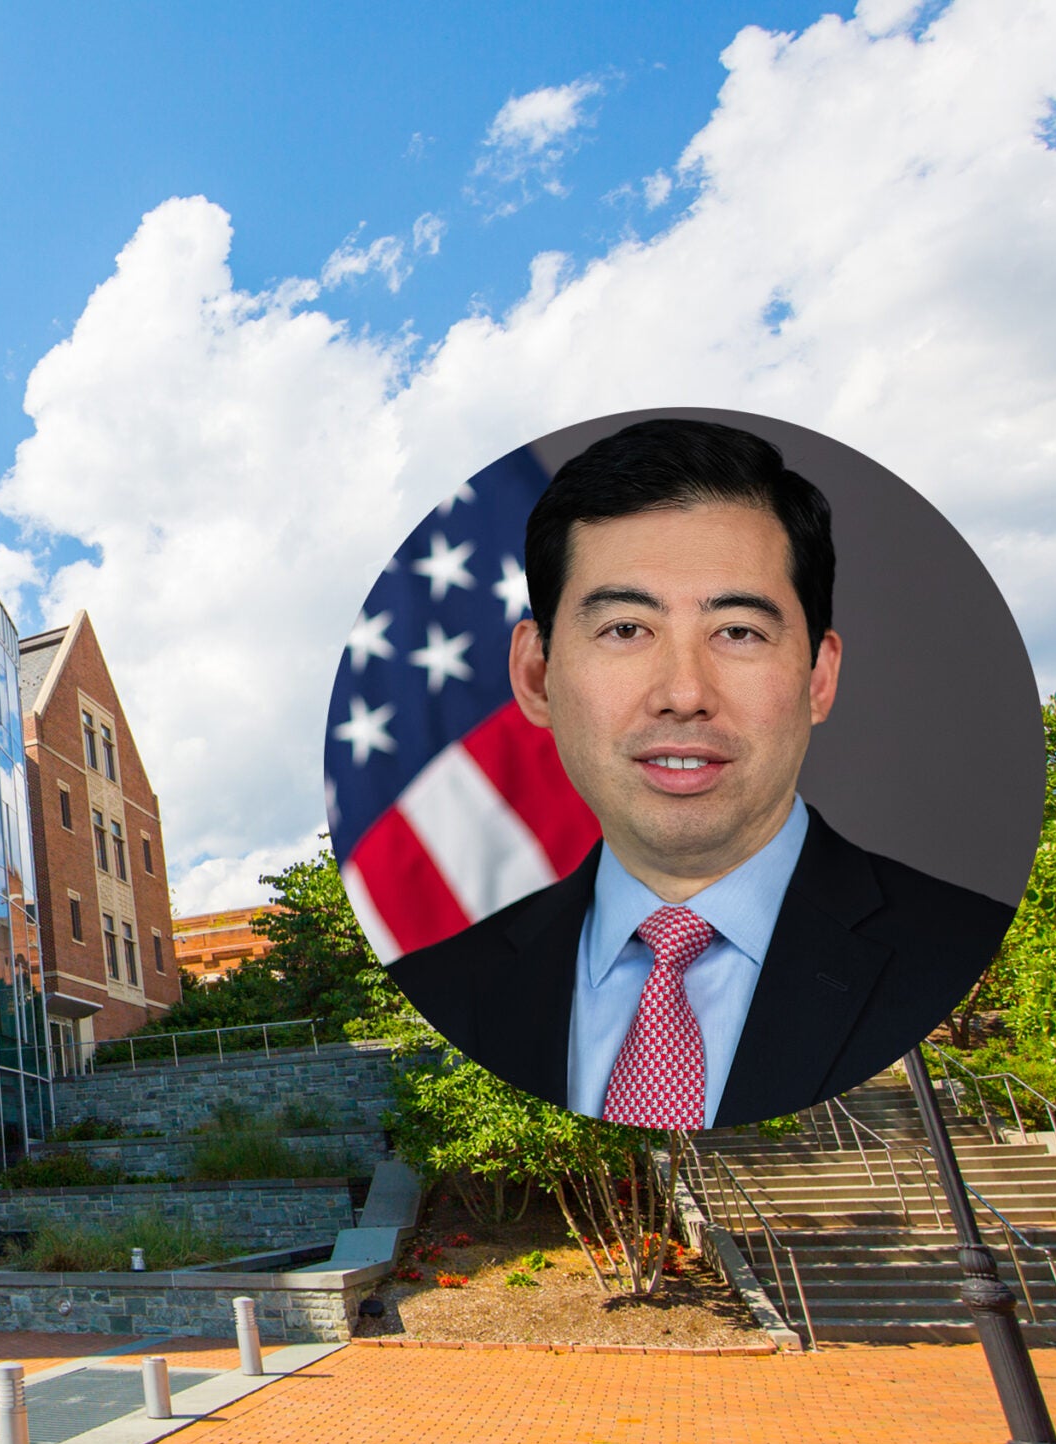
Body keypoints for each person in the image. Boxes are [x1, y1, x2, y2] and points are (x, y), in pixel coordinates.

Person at [386, 419, 1013, 1129]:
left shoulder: (960, 942)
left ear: (819, 676)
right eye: (625, 629)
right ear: (537, 675)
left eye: (738, 632)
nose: (684, 693)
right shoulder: (445, 985)